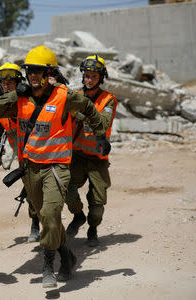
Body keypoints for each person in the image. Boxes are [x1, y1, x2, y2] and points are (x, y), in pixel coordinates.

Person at [0, 45, 111, 288]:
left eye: (38, 71)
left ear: (48, 73)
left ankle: (47, 267)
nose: (33, 75)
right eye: (30, 71)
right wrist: (13, 94)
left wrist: (100, 133)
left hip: (57, 167)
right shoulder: (20, 97)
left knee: (51, 214)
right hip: (31, 169)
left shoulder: (64, 96)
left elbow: (87, 107)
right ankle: (67, 256)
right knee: (47, 220)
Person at [65, 55, 117, 247]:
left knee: (97, 203)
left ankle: (92, 228)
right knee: (65, 187)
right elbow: (65, 110)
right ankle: (78, 216)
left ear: (100, 78)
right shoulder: (75, 95)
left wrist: (80, 112)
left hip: (97, 158)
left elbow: (102, 123)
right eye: (86, 75)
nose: (89, 79)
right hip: (77, 155)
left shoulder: (109, 100)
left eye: (93, 76)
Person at [0, 63, 40, 243]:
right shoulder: (1, 110)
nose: (6, 86)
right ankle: (35, 224)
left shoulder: (29, 102)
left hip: (42, 155)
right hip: (23, 160)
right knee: (32, 194)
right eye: (3, 83)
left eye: (10, 82)